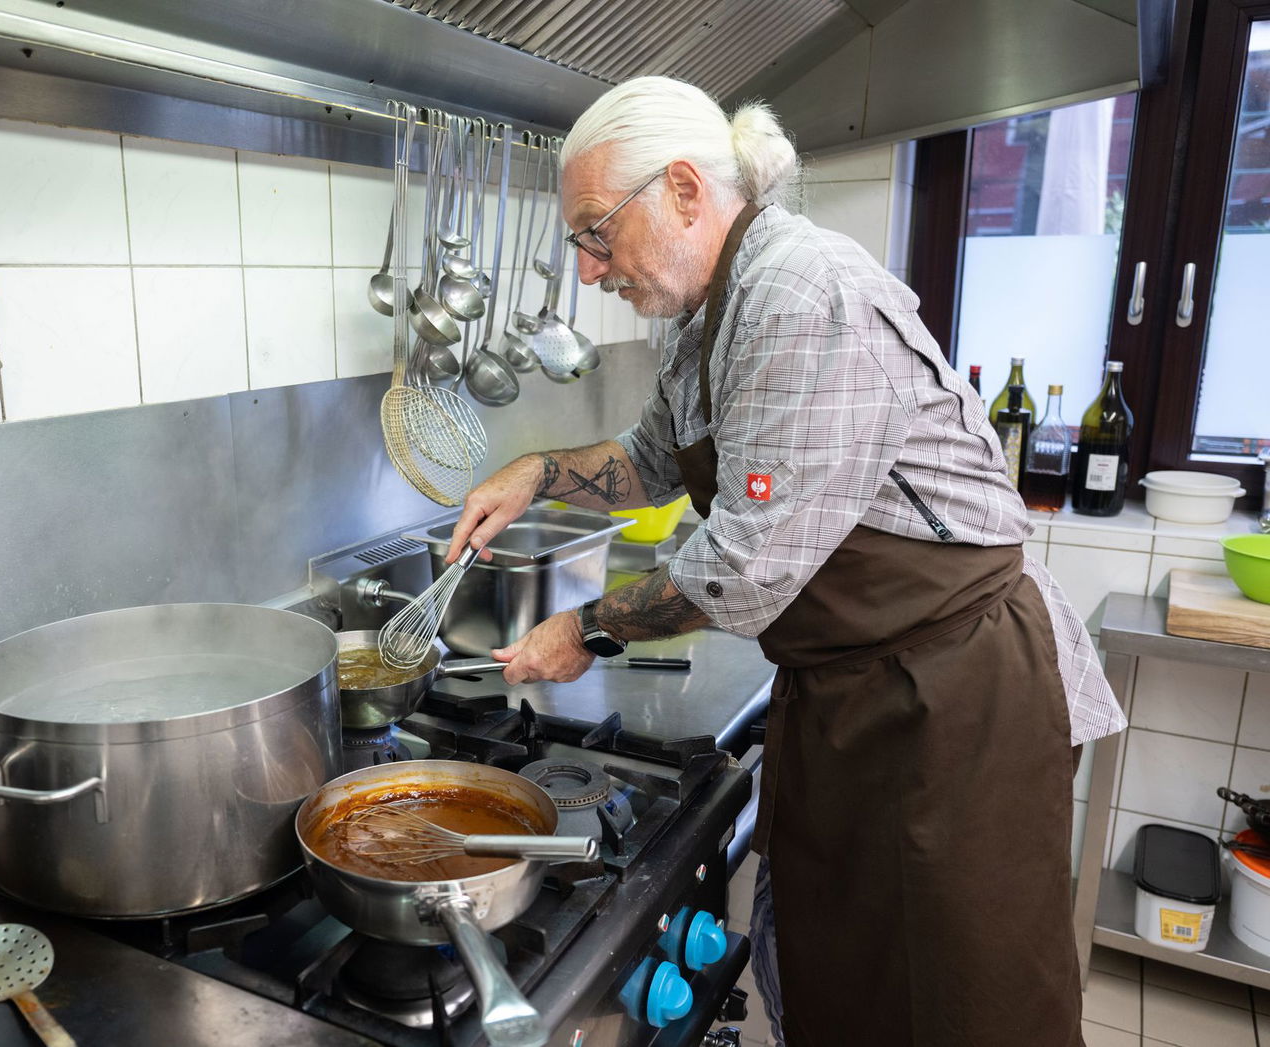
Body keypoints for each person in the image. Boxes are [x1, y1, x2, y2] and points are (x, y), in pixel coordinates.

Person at [445, 77, 1125, 1047]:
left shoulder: (801, 296)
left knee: (963, 998)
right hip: (854, 687)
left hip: (955, 696)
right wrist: (537, 471)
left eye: (596, 233)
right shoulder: (702, 315)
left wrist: (586, 628)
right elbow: (647, 463)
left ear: (682, 190)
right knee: (848, 981)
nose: (591, 271)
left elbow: (744, 568)